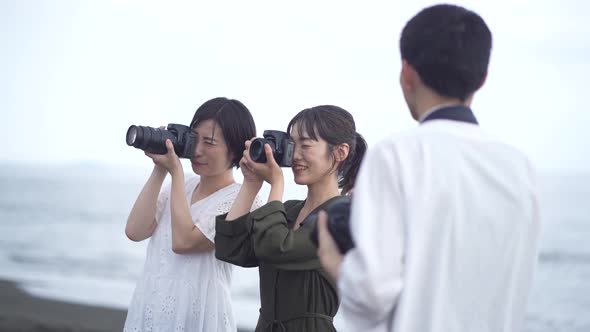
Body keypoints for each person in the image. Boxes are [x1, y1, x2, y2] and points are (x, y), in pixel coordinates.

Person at [317, 4, 541, 332]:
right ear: (482, 78)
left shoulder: (396, 154)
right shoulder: (521, 168)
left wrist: (335, 263)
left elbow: (371, 293)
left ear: (407, 73)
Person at [214, 105, 367, 331]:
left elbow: (279, 248)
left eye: (305, 145)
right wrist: (251, 183)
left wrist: (276, 183)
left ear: (340, 152)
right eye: (292, 145)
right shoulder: (288, 211)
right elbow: (231, 248)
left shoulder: (344, 215)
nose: (295, 155)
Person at [123, 97, 261, 332]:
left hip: (201, 319)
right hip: (152, 311)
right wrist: (160, 169)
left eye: (209, 142)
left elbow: (184, 242)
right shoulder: (183, 185)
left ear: (236, 150)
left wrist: (175, 171)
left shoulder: (242, 199)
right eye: (195, 139)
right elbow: (135, 231)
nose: (197, 150)